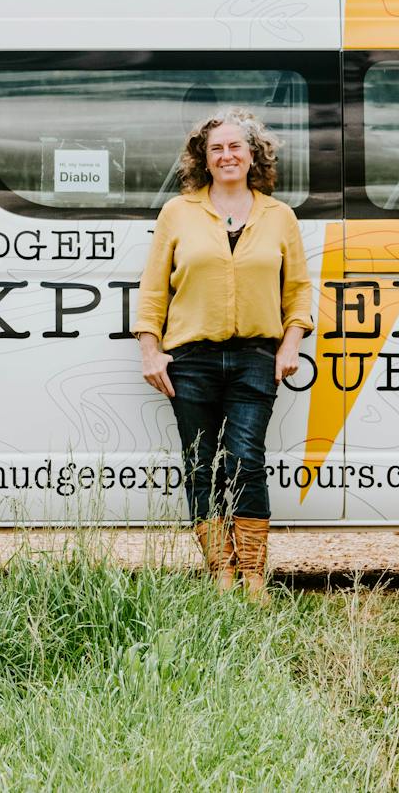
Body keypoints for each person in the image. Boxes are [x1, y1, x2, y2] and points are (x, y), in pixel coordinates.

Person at [134, 109, 313, 599]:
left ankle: (253, 574)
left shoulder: (279, 216)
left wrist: (291, 344)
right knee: (200, 462)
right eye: (217, 148)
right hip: (190, 359)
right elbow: (153, 290)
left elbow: (298, 290)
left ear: (253, 155)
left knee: (245, 460)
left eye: (236, 147)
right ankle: (221, 572)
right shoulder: (178, 213)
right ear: (204, 159)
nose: (227, 155)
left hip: (256, 357)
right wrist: (150, 350)